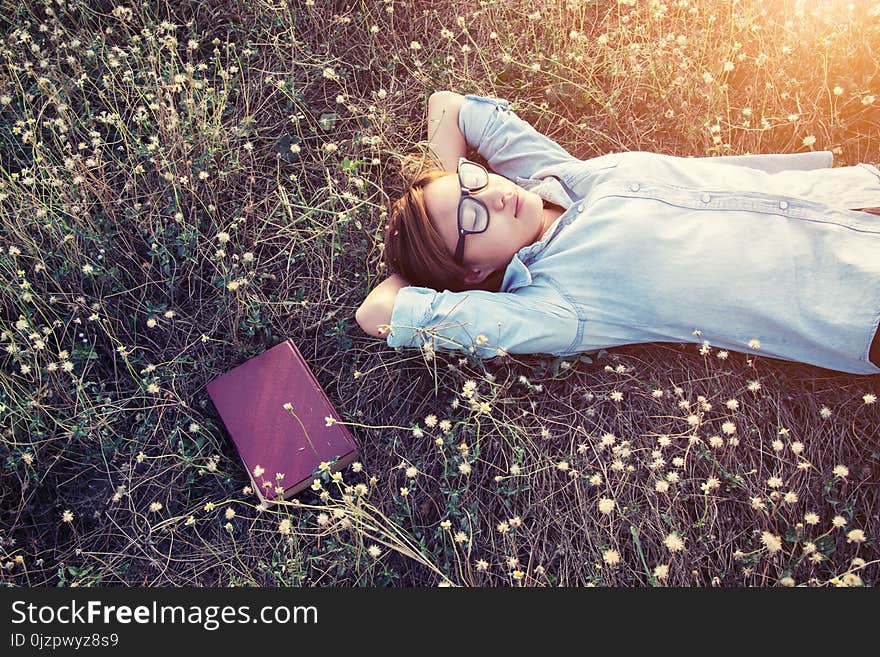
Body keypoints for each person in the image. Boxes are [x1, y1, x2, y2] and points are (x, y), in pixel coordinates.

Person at [356, 90, 880, 375]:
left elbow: (450, 107)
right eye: (472, 219)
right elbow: (378, 312)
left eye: (474, 183)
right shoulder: (555, 304)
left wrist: (443, 190)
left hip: (853, 199)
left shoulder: (550, 177)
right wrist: (428, 263)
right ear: (475, 271)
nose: (490, 196)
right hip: (857, 298)